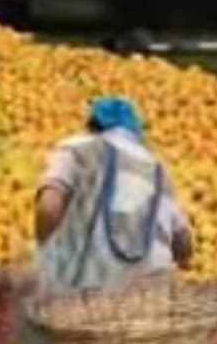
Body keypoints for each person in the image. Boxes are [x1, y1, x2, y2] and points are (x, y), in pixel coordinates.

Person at [34, 95, 193, 292]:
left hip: (89, 295)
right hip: (152, 298)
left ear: (93, 126)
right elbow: (184, 243)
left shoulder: (78, 149)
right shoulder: (157, 168)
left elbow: (49, 208)